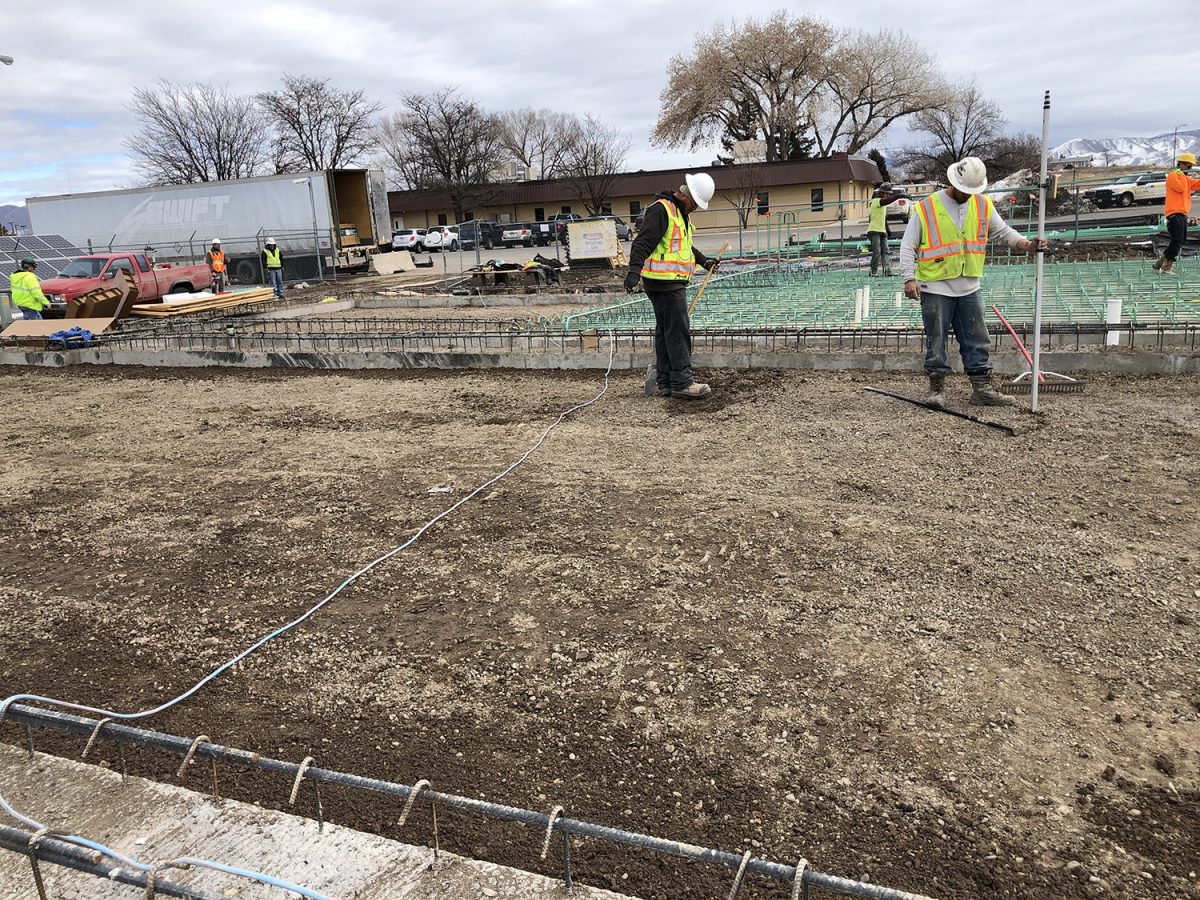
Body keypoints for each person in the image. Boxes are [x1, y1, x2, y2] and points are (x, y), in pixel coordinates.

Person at [900, 157, 1046, 408]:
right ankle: (936, 391)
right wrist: (908, 278)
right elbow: (908, 244)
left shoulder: (983, 204)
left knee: (977, 339)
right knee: (936, 339)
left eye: (973, 191)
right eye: (965, 191)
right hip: (935, 286)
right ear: (954, 183)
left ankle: (982, 389)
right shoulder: (927, 207)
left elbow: (1003, 233)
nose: (968, 196)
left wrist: (1027, 245)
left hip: (969, 286)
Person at [624, 172, 719, 399]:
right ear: (688, 197)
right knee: (677, 331)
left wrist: (703, 260)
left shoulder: (679, 213)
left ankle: (666, 381)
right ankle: (682, 382)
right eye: (696, 204)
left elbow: (684, 248)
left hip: (666, 282)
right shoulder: (662, 210)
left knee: (666, 331)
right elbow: (642, 243)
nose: (695, 208)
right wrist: (633, 272)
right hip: (665, 282)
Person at [1154, 151, 1200, 275]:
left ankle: (1160, 263)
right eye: (1189, 166)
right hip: (1174, 213)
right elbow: (1180, 188)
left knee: (1181, 240)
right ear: (1182, 165)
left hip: (1182, 214)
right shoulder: (1173, 176)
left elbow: (1197, 184)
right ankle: (1166, 267)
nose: (1190, 168)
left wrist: (1188, 177)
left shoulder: (1185, 178)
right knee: (1177, 240)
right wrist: (1181, 175)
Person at [867, 183, 902, 276]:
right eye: (887, 194)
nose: (888, 196)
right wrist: (898, 196)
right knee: (877, 251)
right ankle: (873, 271)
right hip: (874, 230)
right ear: (882, 193)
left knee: (886, 251)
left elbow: (883, 219)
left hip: (882, 230)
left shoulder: (883, 205)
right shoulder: (876, 201)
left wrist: (888, 230)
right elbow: (886, 201)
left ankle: (887, 270)